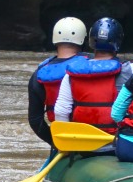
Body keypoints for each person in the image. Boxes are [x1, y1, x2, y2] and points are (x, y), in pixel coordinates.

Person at [54, 18, 127, 152]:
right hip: (117, 144)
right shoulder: (131, 71)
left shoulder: (71, 74)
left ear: (91, 41)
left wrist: (66, 146)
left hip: (81, 144)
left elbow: (61, 111)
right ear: (118, 42)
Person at [27, 17, 86, 147]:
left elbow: (35, 120)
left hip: (62, 138)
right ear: (83, 39)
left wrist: (55, 142)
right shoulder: (92, 65)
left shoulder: (39, 73)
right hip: (93, 136)